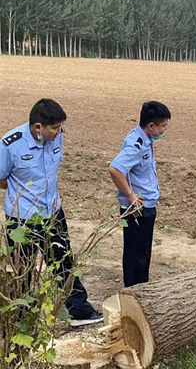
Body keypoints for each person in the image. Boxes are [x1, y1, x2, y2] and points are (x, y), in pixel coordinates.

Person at [0, 98, 103, 327]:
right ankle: (23, 321)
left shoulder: (56, 137)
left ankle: (78, 311)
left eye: (60, 128)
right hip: (23, 219)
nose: (59, 132)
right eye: (55, 128)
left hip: (53, 212)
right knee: (22, 271)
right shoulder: (10, 144)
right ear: (38, 127)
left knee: (64, 262)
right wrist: (21, 191)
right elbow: (0, 177)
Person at [108, 101, 171, 288]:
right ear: (151, 126)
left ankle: (140, 289)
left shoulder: (144, 140)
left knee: (142, 255)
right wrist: (130, 197)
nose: (165, 130)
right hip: (137, 211)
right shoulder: (135, 145)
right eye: (163, 126)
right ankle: (134, 292)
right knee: (136, 256)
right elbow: (115, 169)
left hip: (146, 207)